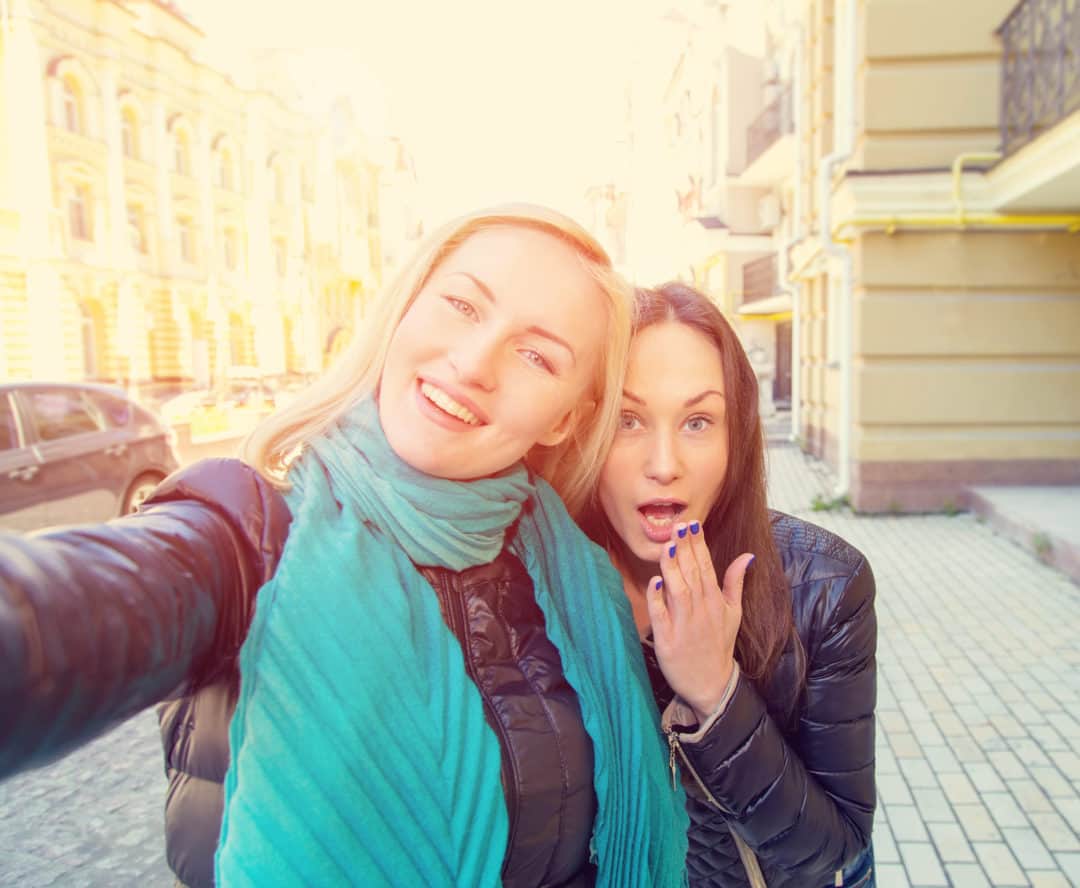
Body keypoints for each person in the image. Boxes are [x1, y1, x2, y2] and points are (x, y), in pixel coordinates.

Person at [0, 205, 690, 888]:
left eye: (536, 354)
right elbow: (52, 618)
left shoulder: (578, 580)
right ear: (403, 310)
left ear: (565, 417)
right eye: (461, 305)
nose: (474, 362)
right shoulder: (252, 537)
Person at [580, 281, 877, 888]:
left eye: (697, 421)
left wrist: (717, 695)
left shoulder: (824, 588)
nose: (664, 463)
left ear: (735, 438)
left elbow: (836, 850)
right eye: (628, 419)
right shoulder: (536, 588)